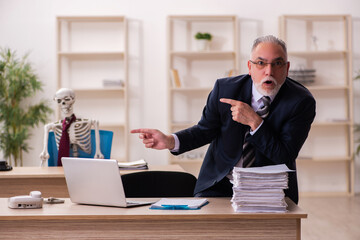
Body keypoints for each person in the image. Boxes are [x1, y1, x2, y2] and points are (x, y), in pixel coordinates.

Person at [131, 35, 316, 204]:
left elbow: (284, 155)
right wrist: (170, 141)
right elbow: (205, 131)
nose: (269, 71)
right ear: (250, 67)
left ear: (287, 68)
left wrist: (255, 122)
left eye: (277, 63)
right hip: (220, 183)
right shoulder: (225, 89)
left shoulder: (301, 101)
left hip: (270, 189)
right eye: (261, 63)